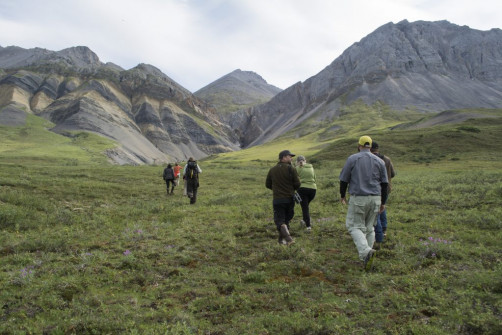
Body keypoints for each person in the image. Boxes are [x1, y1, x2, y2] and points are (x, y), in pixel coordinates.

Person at [339, 136, 388, 271]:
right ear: (370, 146)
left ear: (359, 145)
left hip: (359, 197)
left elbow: (344, 179)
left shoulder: (353, 159)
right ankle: (367, 256)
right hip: (376, 198)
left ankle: (366, 252)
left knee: (353, 226)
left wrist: (342, 195)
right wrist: (383, 202)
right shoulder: (379, 161)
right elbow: (385, 184)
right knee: (369, 227)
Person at [266, 150, 301, 245]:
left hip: (277, 199)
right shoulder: (291, 169)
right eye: (290, 156)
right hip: (289, 198)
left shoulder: (272, 170)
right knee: (285, 220)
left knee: (281, 221)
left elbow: (267, 184)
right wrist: (290, 189)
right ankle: (288, 240)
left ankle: (282, 240)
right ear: (284, 157)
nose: (291, 158)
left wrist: (277, 189)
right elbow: (298, 184)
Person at [370, 141, 396, 247]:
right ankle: (384, 228)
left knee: (376, 211)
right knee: (382, 207)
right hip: (387, 188)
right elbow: (393, 174)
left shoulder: (371, 160)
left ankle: (379, 235)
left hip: (376, 189)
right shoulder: (387, 159)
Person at [295, 155, 317, 231]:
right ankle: (304, 220)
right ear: (305, 161)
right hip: (313, 189)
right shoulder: (311, 167)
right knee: (306, 206)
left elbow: (295, 180)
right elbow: (315, 178)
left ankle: (308, 226)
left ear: (297, 162)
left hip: (303, 189)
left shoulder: (297, 168)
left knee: (305, 208)